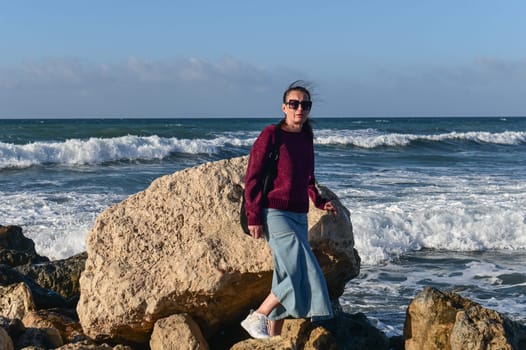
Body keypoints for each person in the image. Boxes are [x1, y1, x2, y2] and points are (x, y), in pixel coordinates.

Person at [241, 80, 338, 339]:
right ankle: (259, 315)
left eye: (305, 105)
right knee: (302, 270)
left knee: (286, 272)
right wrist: (254, 216)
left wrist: (318, 201)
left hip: (299, 214)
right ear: (284, 107)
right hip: (274, 213)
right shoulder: (272, 134)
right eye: (294, 104)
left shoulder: (306, 137)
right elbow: (253, 176)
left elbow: (308, 177)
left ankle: (274, 337)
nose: (300, 109)